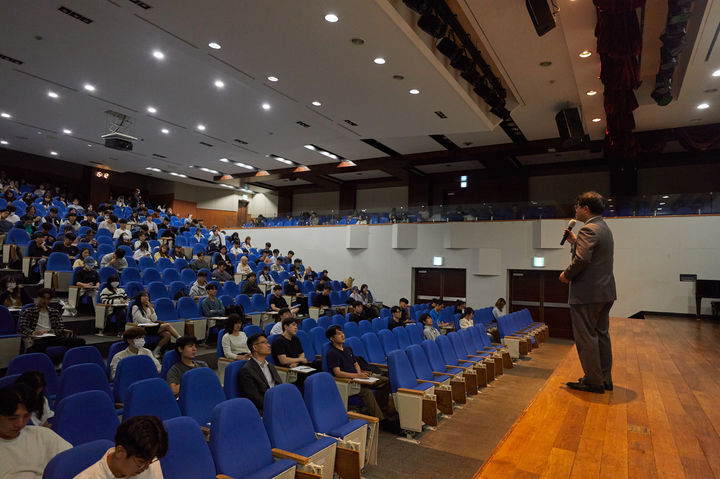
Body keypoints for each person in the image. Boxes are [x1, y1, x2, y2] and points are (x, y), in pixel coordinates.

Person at [560, 191, 616, 394]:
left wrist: (566, 275)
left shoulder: (588, 229)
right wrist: (575, 242)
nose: (575, 209)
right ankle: (604, 378)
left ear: (585, 208)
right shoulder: (603, 227)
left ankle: (593, 381)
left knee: (586, 337)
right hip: (604, 291)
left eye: (577, 206)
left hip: (587, 294)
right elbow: (591, 255)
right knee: (601, 335)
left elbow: (582, 260)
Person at [0, 383, 72, 478]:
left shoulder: (42, 435)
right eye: (12, 418)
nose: (20, 424)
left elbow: (72, 463)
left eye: (26, 416)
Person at [325, 325, 390, 420]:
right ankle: (380, 419)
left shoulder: (347, 348)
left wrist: (360, 375)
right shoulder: (332, 353)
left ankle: (381, 409)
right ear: (332, 338)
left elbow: (356, 364)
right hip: (349, 383)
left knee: (385, 381)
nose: (342, 335)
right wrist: (357, 376)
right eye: (339, 334)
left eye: (342, 333)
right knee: (366, 392)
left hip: (358, 379)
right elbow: (337, 373)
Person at [74, 415, 168, 479]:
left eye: (150, 461)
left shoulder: (150, 462)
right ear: (120, 452)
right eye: (140, 463)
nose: (146, 468)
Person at [237, 333, 282, 413]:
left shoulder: (270, 365)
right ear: (255, 347)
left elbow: (279, 385)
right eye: (265, 343)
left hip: (277, 402)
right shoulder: (246, 371)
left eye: (268, 342)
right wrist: (274, 404)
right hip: (265, 408)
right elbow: (255, 398)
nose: (269, 345)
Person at [131, 291, 180, 358]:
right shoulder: (135, 307)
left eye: (147, 296)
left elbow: (154, 319)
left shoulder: (148, 308)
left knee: (167, 335)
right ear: (139, 298)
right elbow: (140, 320)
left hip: (151, 327)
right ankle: (180, 339)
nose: (146, 298)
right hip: (142, 328)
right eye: (144, 296)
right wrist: (151, 322)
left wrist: (151, 308)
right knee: (167, 325)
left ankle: (155, 351)